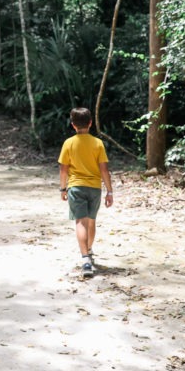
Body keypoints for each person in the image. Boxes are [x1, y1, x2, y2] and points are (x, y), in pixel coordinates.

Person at [58, 107, 113, 278]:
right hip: (94, 187)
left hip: (75, 187)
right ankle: (89, 249)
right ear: (90, 123)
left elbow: (63, 169)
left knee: (80, 222)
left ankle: (85, 260)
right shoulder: (97, 143)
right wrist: (109, 191)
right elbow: (104, 169)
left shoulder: (69, 143)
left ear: (73, 125)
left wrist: (63, 188)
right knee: (91, 221)